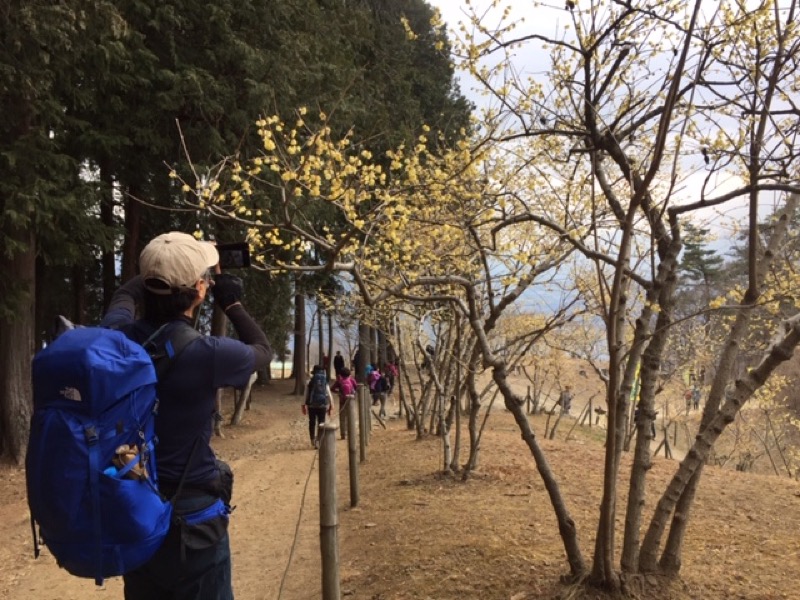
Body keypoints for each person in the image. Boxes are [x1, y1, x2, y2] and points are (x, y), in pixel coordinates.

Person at [100, 231, 272, 600]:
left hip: (137, 508)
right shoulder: (206, 354)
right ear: (199, 289)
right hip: (192, 518)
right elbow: (261, 349)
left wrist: (154, 271)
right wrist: (232, 302)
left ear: (147, 287)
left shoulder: (116, 339)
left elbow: (123, 298)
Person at [304, 365, 334, 448]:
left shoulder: (309, 381)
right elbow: (328, 393)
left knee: (312, 422)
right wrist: (331, 404)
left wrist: (303, 404)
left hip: (311, 405)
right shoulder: (324, 381)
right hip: (322, 405)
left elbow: (306, 394)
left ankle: (312, 439)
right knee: (321, 422)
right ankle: (319, 440)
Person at [331, 367, 357, 440]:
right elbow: (356, 387)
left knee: (342, 418)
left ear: (341, 374)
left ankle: (343, 434)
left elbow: (332, 388)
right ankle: (351, 433)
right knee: (350, 416)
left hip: (342, 401)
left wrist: (338, 392)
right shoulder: (352, 380)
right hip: (351, 400)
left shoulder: (339, 381)